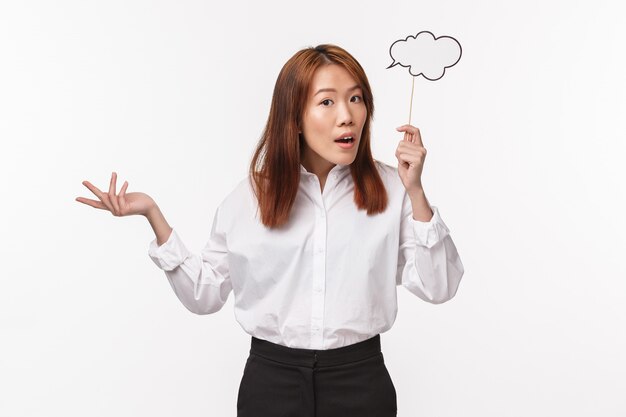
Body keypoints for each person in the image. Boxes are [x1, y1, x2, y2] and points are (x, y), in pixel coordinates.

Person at [76, 43, 465, 417]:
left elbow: (440, 287)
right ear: (294, 117)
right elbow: (204, 294)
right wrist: (152, 214)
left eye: (356, 98)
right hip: (271, 383)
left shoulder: (393, 189)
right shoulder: (251, 196)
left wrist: (416, 193)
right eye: (327, 101)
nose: (346, 115)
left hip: (360, 381)